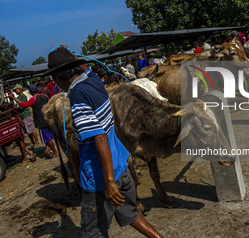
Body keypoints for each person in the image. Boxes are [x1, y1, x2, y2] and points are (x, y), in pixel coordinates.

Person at [46, 47, 163, 238]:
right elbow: (83, 66)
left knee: (92, 233)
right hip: (121, 168)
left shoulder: (77, 96)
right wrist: (71, 56)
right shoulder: (93, 79)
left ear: (58, 77)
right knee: (131, 215)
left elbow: (99, 137)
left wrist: (108, 182)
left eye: (54, 78)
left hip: (100, 179)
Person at [9, 84, 59, 158]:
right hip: (48, 119)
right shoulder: (45, 96)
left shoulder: (33, 99)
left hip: (41, 121)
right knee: (49, 137)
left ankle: (55, 152)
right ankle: (48, 149)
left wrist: (14, 98)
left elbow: (24, 105)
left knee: (47, 138)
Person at [13, 84, 40, 149]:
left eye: (16, 89)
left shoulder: (23, 97)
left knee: (31, 129)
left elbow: (22, 107)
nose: (15, 91)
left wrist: (16, 108)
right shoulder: (18, 98)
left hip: (26, 115)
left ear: (19, 89)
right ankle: (32, 142)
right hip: (22, 115)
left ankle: (36, 141)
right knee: (28, 130)